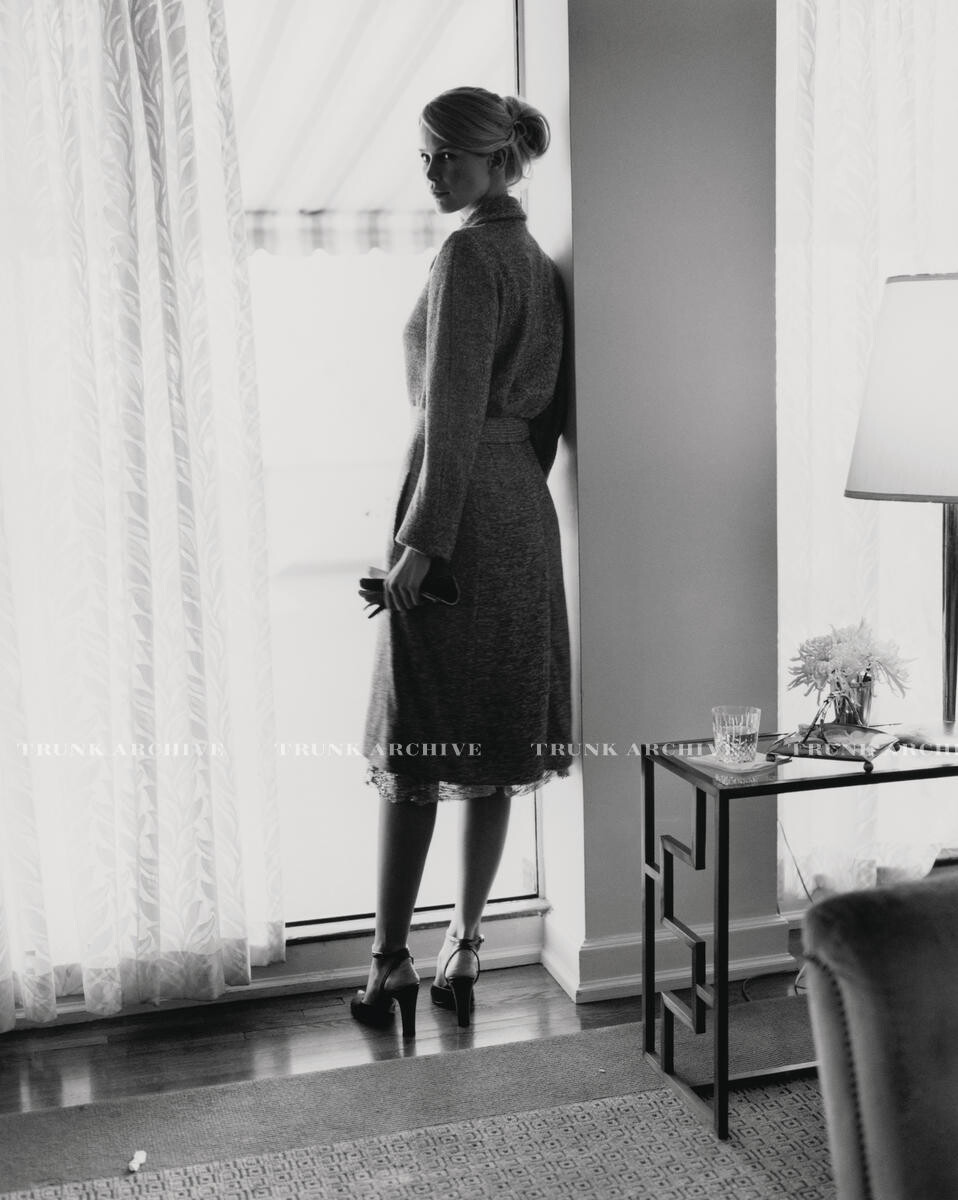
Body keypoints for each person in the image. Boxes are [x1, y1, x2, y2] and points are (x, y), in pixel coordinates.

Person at [352, 86, 571, 1039]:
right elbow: (545, 416)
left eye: (447, 155)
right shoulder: (534, 259)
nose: (432, 172)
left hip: (458, 517)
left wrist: (421, 544)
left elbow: (447, 410)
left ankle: (388, 963)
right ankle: (465, 945)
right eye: (426, 155)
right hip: (521, 508)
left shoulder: (469, 255)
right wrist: (513, 495)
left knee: (419, 740)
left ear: (494, 160)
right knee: (492, 742)